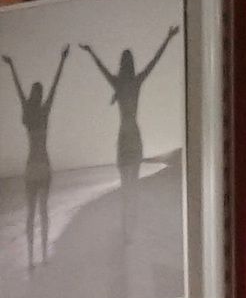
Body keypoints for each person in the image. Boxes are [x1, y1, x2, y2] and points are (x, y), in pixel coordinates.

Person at [81, 25, 178, 196]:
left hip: (124, 134)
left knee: (126, 184)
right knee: (133, 181)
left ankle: (128, 216)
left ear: (121, 64)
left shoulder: (118, 83)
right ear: (132, 64)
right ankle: (133, 215)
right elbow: (154, 61)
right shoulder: (135, 81)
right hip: (133, 133)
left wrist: (91, 52)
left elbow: (101, 68)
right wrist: (168, 38)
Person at [3, 46, 67, 268]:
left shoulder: (29, 112)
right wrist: (62, 60)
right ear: (40, 96)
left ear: (32, 96)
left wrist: (11, 66)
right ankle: (44, 257)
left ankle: (31, 260)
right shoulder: (44, 111)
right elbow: (55, 86)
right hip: (43, 166)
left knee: (31, 214)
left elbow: (19, 88)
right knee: (43, 213)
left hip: (31, 167)